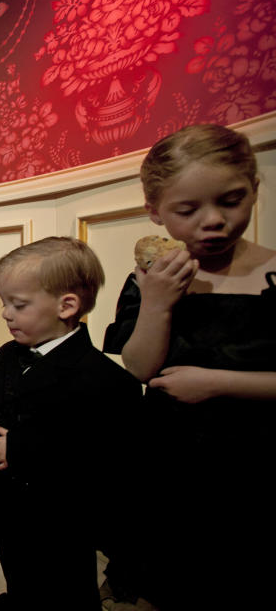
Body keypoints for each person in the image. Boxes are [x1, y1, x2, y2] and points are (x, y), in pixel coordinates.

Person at [102, 124, 276, 610]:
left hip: (253, 465)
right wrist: (157, 301)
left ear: (254, 189)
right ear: (155, 212)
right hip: (169, 466)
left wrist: (218, 383)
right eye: (188, 209)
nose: (213, 221)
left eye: (231, 200)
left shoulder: (271, 277)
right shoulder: (151, 279)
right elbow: (137, 367)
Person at [0, 237, 142, 610]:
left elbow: (98, 456)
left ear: (67, 305)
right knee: (17, 568)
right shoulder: (9, 353)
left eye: (18, 305)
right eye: (5, 303)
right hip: (6, 503)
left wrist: (20, 449)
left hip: (60, 518)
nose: (6, 314)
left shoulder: (104, 380)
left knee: (65, 588)